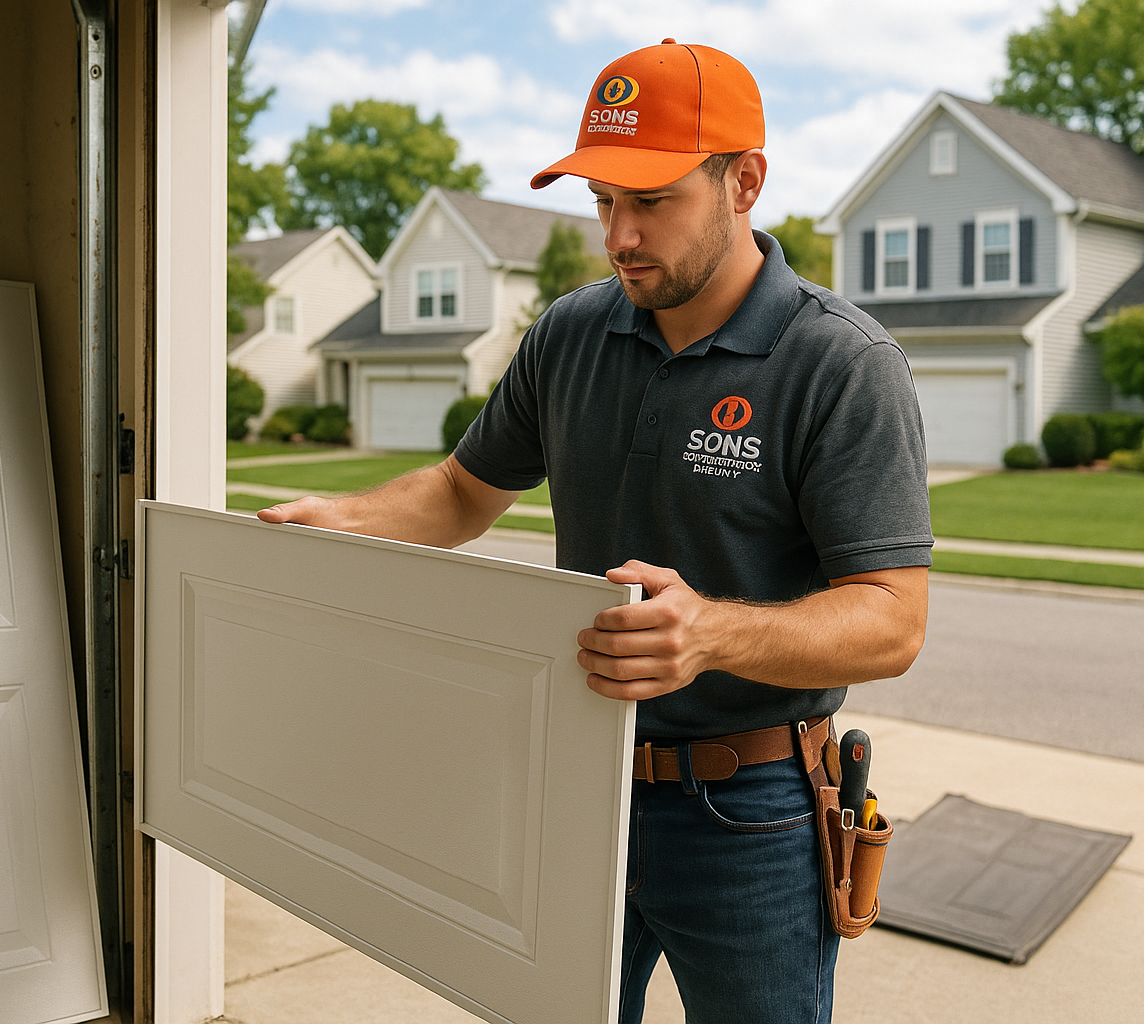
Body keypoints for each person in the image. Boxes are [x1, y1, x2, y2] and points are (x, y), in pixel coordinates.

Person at [259, 39, 931, 1024]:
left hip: (751, 812)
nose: (620, 234)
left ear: (744, 182)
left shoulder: (841, 364)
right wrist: (341, 521)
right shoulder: (570, 333)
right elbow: (460, 493)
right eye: (603, 199)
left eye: (651, 199)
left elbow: (893, 620)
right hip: (579, 780)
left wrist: (711, 633)